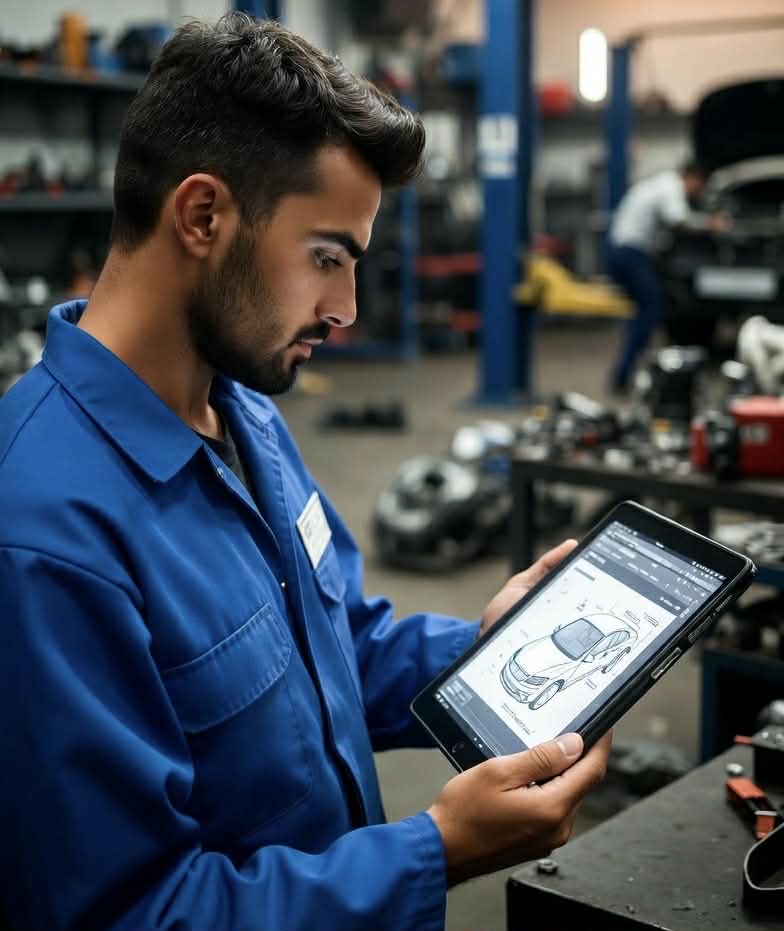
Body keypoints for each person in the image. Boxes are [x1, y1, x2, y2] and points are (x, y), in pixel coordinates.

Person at [0, 15, 610, 931]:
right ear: (202, 216)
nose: (346, 309)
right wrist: (434, 852)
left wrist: (485, 654)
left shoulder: (243, 414)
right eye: (327, 257)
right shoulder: (44, 535)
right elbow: (132, 913)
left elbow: (332, 647)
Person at [607, 160, 724, 392]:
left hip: (624, 252)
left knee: (646, 313)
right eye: (699, 187)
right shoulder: (671, 188)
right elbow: (678, 221)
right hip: (631, 254)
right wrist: (712, 224)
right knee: (651, 311)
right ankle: (625, 377)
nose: (697, 193)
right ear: (692, 178)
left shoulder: (659, 184)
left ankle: (629, 375)